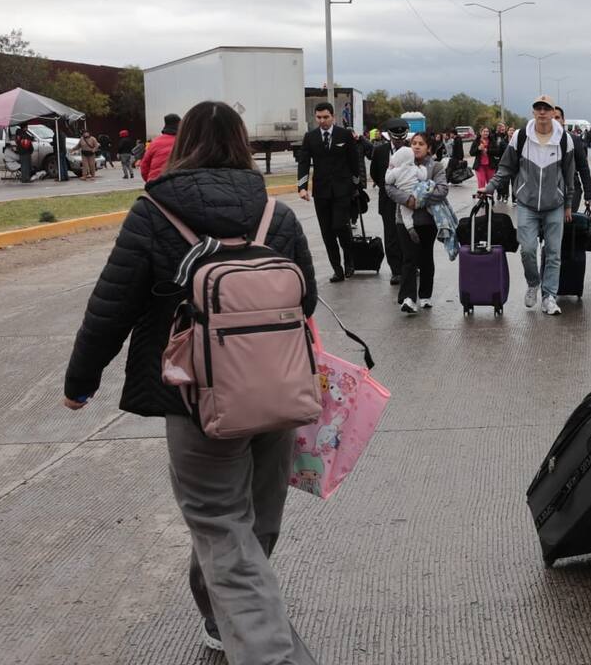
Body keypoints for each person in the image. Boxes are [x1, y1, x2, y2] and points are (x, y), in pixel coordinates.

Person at [62, 100, 320, 664]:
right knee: (256, 519)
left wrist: (81, 382)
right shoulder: (273, 215)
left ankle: (269, 651)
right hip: (277, 390)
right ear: (240, 143)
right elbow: (308, 298)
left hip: (193, 398)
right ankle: (220, 616)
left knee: (220, 523)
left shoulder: (153, 212)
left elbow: (111, 307)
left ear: (182, 146)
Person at [481, 95, 574, 316]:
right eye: (538, 108)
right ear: (533, 112)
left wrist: (568, 203)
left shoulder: (564, 140)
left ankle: (549, 296)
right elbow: (505, 168)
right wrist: (490, 187)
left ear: (553, 113)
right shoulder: (521, 138)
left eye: (546, 109)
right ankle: (533, 283)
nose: (542, 112)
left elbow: (569, 176)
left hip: (555, 204)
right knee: (529, 249)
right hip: (526, 204)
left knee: (553, 252)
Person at [297, 102, 365, 283]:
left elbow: (354, 161)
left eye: (325, 117)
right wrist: (302, 187)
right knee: (327, 232)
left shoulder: (344, 135)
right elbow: (303, 162)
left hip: (343, 190)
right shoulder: (310, 137)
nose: (322, 121)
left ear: (333, 117)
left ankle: (349, 260)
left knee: (339, 226)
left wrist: (357, 185)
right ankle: (337, 269)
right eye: (319, 117)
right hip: (321, 192)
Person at [384, 132, 450, 314]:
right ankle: (408, 298)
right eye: (414, 143)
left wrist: (419, 199)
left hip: (427, 220)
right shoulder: (399, 162)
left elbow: (442, 190)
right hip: (404, 221)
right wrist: (407, 200)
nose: (417, 146)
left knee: (426, 258)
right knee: (409, 258)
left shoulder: (435, 167)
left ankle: (426, 294)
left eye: (421, 143)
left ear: (429, 147)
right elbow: (388, 186)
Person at [370, 126, 409, 285]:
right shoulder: (380, 151)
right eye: (396, 137)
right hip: (387, 199)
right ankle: (396, 270)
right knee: (391, 235)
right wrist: (388, 187)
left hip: (408, 198)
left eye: (401, 137)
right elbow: (374, 172)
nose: (399, 140)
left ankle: (410, 265)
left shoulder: (411, 149)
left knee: (408, 233)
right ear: (390, 136)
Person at [556, 106, 591, 213]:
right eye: (552, 118)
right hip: (549, 192)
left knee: (567, 224)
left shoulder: (573, 140)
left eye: (557, 117)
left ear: (563, 120)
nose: (554, 121)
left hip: (571, 189)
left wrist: (588, 194)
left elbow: (583, 167)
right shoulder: (540, 141)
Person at [139, 113, 180, 181]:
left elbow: (144, 165)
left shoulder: (154, 143)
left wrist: (149, 181)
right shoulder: (184, 142)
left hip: (155, 182)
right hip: (177, 181)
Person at [472, 127, 500, 191]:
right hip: (479, 165)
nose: (486, 133)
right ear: (480, 132)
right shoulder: (476, 141)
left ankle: (490, 197)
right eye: (484, 131)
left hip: (490, 165)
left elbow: (497, 152)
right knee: (481, 181)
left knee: (490, 183)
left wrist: (487, 150)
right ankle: (482, 198)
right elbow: (471, 152)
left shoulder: (492, 141)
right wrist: (478, 149)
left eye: (487, 131)